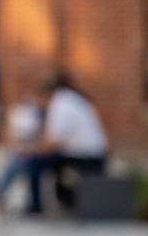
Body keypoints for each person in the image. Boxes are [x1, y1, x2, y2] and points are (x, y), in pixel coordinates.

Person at [24, 75, 108, 216]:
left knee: (35, 163)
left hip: (86, 156)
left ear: (46, 95)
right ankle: (63, 202)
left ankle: (36, 207)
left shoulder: (60, 104)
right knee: (48, 161)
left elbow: (52, 143)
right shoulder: (71, 99)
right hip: (93, 153)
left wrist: (32, 150)